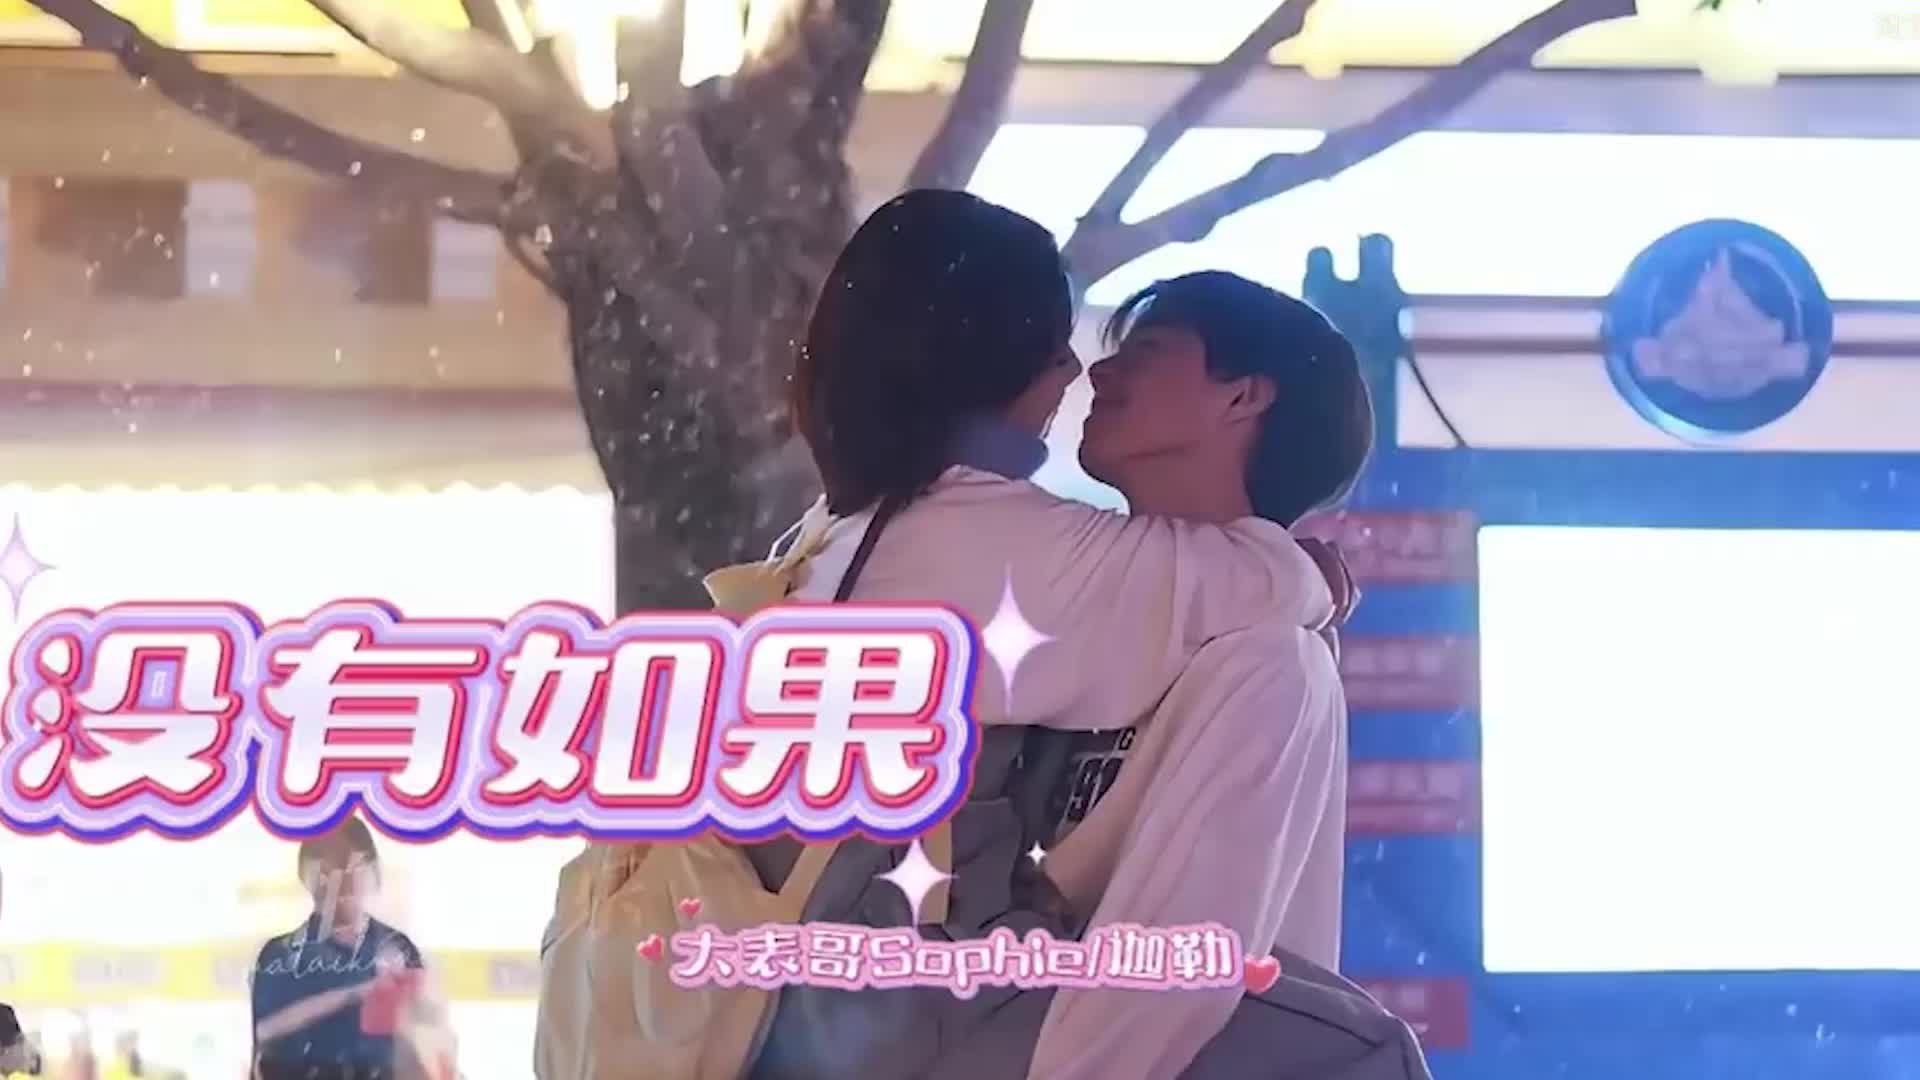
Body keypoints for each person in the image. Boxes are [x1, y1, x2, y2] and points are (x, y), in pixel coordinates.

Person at [1024, 271, 1377, 1078]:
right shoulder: (1106, 623)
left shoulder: (1268, 662)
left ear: (1242, 397)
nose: (1099, 372)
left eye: (1146, 351)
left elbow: (1167, 979)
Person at [248, 818, 425, 1080]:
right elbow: (267, 1047)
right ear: (304, 875)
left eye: (349, 863)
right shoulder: (279, 957)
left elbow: (423, 1044)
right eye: (325, 866)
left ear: (372, 869)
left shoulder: (400, 949)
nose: (338, 878)